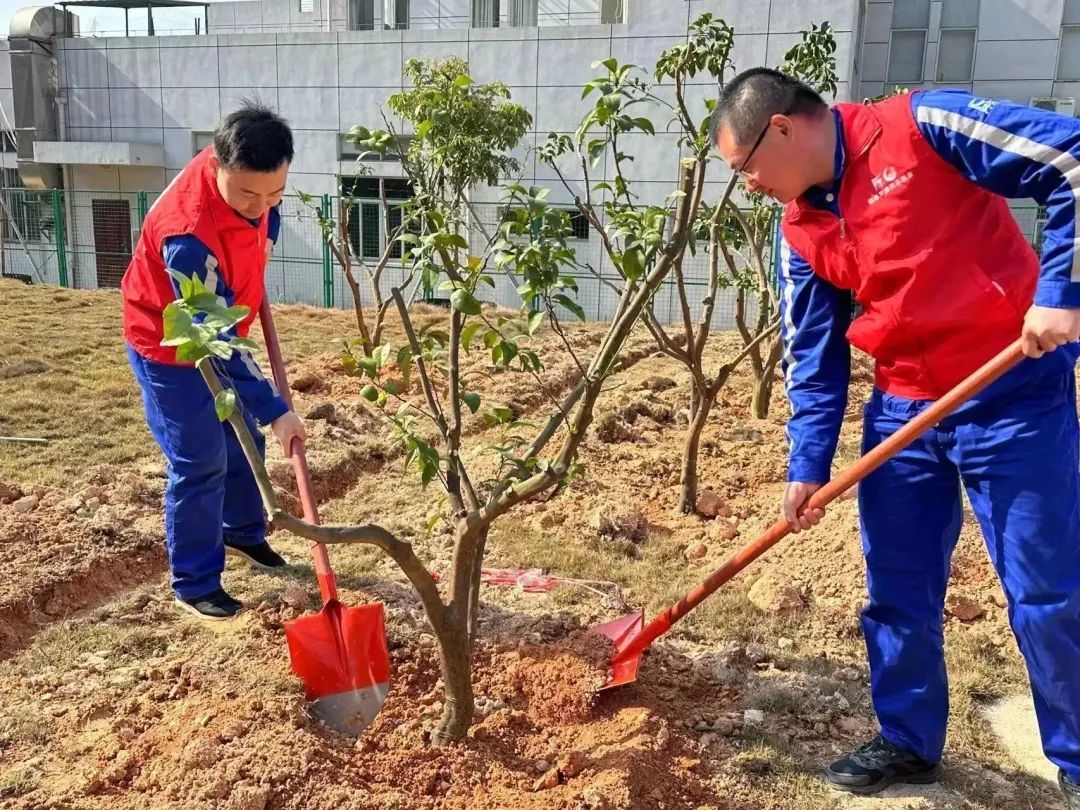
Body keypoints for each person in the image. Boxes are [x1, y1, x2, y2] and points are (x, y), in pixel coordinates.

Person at [710, 68, 1080, 804]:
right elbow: (812, 355)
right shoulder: (799, 228)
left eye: (745, 167)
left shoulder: (923, 125)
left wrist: (1060, 292)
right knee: (897, 590)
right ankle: (909, 741)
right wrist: (807, 464)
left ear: (782, 129)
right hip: (905, 411)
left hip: (1012, 396)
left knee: (1046, 592)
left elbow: (1070, 161)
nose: (747, 186)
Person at [122, 102, 305, 621]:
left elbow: (265, 212)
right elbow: (215, 341)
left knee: (241, 435)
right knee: (200, 460)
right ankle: (196, 582)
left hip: (222, 326)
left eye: (275, 192)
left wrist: (262, 235)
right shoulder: (188, 236)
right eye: (248, 194)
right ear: (218, 166)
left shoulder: (254, 179)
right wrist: (276, 408)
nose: (262, 203)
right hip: (170, 345)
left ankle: (243, 534)